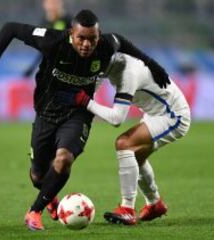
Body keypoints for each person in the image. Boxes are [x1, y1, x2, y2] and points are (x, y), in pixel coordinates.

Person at [0, 9, 170, 231]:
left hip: (77, 113)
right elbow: (10, 28)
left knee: (64, 159)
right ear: (71, 33)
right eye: (81, 38)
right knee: (37, 175)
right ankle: (50, 196)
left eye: (92, 39)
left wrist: (151, 63)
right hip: (46, 113)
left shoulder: (105, 45)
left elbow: (122, 41)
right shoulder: (53, 41)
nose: (86, 44)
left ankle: (34, 211)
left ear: (98, 37)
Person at [57, 52, 191, 225]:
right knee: (136, 156)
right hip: (155, 113)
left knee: (124, 143)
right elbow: (89, 93)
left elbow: (116, 118)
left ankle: (127, 209)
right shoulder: (108, 64)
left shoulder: (129, 73)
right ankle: (155, 204)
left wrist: (85, 102)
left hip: (173, 115)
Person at [23, 0, 72, 77]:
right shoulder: (44, 23)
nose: (52, 6)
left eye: (55, 3)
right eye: (50, 3)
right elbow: (42, 49)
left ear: (60, 3)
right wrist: (32, 68)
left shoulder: (68, 20)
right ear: (45, 5)